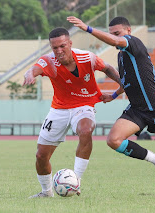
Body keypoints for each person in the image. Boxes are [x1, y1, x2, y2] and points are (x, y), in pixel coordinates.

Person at [67, 16, 155, 200]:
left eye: (117, 33)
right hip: (137, 109)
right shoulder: (121, 56)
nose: (114, 38)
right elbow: (126, 80)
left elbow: (115, 41)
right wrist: (113, 95)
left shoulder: (133, 42)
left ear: (128, 31)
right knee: (113, 140)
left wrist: (88, 28)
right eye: (112, 33)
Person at [23, 27, 121, 198]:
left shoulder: (86, 57)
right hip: (59, 109)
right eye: (55, 48)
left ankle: (76, 182)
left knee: (85, 130)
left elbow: (107, 68)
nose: (59, 51)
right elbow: (33, 69)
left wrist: (122, 87)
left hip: (84, 105)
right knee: (41, 155)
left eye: (62, 46)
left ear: (70, 43)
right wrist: (29, 74)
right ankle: (46, 192)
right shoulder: (49, 61)